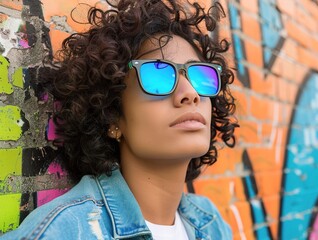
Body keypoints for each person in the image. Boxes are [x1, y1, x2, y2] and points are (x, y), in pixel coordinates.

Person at [1, 0, 238, 239]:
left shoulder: (211, 223)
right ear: (112, 116)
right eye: (158, 74)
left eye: (200, 75)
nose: (190, 93)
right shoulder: (64, 232)